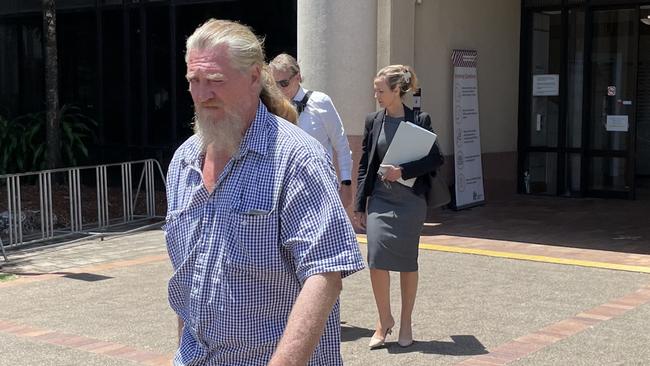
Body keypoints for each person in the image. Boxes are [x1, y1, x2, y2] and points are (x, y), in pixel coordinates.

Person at [164, 19, 365, 365]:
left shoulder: (297, 158)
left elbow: (325, 276)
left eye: (214, 81)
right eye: (193, 81)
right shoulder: (183, 162)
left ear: (255, 77)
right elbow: (187, 278)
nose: (201, 95)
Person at [353, 65, 443, 349]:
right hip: (381, 197)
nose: (375, 94)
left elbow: (436, 158)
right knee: (376, 257)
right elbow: (366, 164)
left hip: (410, 201)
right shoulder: (373, 121)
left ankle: (406, 322)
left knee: (406, 261)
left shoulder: (420, 119)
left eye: (380, 90)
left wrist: (402, 170)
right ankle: (384, 320)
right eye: (375, 89)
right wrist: (359, 204)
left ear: (396, 91)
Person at [269, 53, 354, 208]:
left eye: (284, 83)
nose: (280, 89)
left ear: (298, 77)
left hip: (319, 184)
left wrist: (346, 182)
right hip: (284, 187)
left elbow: (341, 144)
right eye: (275, 84)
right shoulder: (272, 108)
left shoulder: (321, 101)